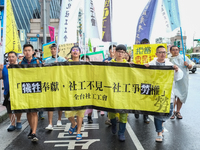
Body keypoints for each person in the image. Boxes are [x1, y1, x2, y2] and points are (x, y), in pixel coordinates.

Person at [144, 45, 183, 142]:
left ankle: (162, 122)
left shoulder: (170, 65)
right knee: (157, 113)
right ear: (156, 54)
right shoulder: (151, 64)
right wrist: (145, 68)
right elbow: (143, 76)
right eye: (160, 52)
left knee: (169, 112)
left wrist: (177, 70)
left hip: (167, 93)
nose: (162, 54)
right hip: (155, 93)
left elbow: (177, 77)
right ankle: (159, 133)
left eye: (164, 52)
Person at [19, 43, 42, 142]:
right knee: (28, 111)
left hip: (35, 89)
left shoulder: (37, 61)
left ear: (33, 52)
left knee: (34, 111)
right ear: (23, 52)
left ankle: (34, 132)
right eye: (25, 50)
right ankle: (31, 129)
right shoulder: (20, 63)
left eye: (29, 50)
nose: (27, 52)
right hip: (25, 89)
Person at [106, 44, 128, 142]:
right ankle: (114, 124)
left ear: (125, 54)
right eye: (118, 51)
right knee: (112, 112)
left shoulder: (129, 64)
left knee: (124, 114)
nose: (120, 53)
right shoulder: (109, 63)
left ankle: (121, 133)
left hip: (124, 93)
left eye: (122, 52)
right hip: (112, 93)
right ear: (114, 52)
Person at [65, 46, 86, 140]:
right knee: (68, 112)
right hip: (69, 90)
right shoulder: (66, 63)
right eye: (73, 50)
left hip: (82, 89)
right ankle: (73, 123)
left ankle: (78, 131)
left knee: (80, 112)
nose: (75, 51)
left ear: (80, 53)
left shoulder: (84, 64)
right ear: (71, 53)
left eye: (77, 50)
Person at [168, 45, 194, 119]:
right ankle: (172, 111)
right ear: (170, 51)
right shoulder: (168, 59)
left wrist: (188, 65)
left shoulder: (184, 57)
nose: (175, 51)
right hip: (173, 79)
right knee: (173, 95)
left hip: (183, 79)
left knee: (181, 95)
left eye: (177, 50)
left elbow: (191, 66)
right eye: (173, 50)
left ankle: (178, 111)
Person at [45, 43, 66, 130]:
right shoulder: (47, 61)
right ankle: (50, 123)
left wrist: (59, 65)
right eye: (52, 49)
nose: (53, 50)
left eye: (55, 49)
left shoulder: (63, 60)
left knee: (59, 102)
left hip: (60, 83)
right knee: (50, 103)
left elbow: (65, 71)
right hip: (50, 83)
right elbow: (45, 71)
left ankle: (59, 119)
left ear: (58, 50)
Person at [0, 51, 22, 132]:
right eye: (9, 57)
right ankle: (12, 123)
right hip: (7, 92)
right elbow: (0, 77)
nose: (11, 58)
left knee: (18, 108)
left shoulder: (20, 66)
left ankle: (19, 121)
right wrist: (0, 70)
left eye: (13, 56)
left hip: (18, 92)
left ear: (16, 57)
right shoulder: (5, 67)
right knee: (9, 108)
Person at [134, 38, 150, 124]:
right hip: (138, 78)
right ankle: (137, 111)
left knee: (146, 97)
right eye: (143, 44)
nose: (145, 46)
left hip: (148, 80)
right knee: (138, 97)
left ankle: (145, 116)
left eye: (146, 44)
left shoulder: (153, 56)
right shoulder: (137, 55)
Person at [103, 45, 116, 125]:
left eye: (115, 49)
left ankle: (115, 117)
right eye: (112, 49)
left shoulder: (120, 60)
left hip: (117, 84)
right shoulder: (105, 60)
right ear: (109, 51)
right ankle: (109, 118)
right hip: (108, 83)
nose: (113, 51)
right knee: (109, 101)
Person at [80, 55, 93, 123]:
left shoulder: (92, 67)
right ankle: (80, 119)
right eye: (83, 59)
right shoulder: (77, 68)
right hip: (80, 88)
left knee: (90, 105)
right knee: (80, 105)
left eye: (86, 59)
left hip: (89, 88)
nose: (85, 60)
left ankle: (89, 117)